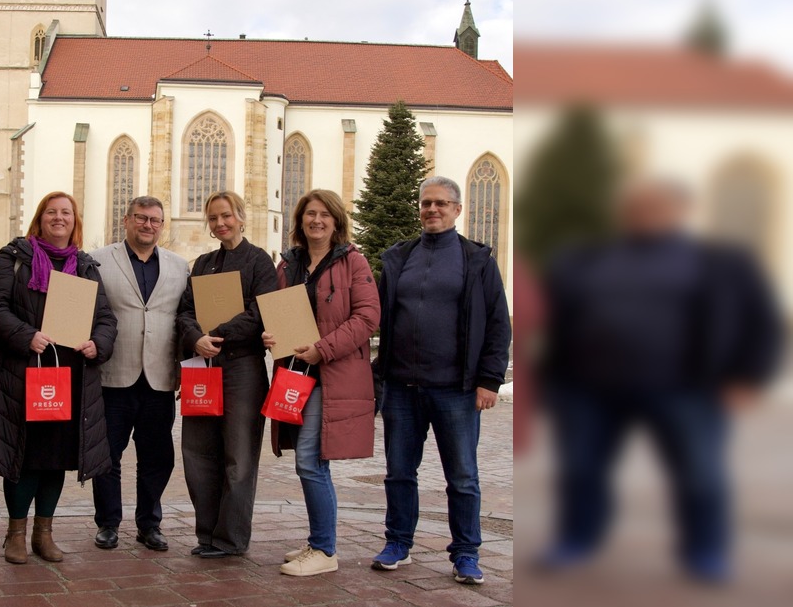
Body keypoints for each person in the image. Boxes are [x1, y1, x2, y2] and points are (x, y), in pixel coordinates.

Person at [539, 177, 783, 583]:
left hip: (685, 388)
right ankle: (577, 541)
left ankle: (705, 552)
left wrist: (747, 377)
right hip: (590, 390)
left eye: (655, 205)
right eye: (635, 205)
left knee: (700, 473)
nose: (643, 213)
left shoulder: (719, 262)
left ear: (680, 210)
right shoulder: (587, 259)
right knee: (581, 469)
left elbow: (761, 322)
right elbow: (561, 323)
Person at [373, 176, 510, 584]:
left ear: (457, 210)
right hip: (402, 387)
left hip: (457, 389)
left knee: (463, 475)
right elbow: (375, 314)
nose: (432, 210)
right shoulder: (399, 258)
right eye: (426, 203)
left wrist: (490, 380)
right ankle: (398, 542)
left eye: (441, 204)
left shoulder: (478, 261)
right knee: (399, 471)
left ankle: (465, 552)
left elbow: (499, 326)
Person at [0, 192, 117, 564]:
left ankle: (44, 533)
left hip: (69, 376)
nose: (59, 218)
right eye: (51, 212)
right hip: (23, 373)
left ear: (75, 222)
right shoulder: (15, 257)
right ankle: (16, 534)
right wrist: (26, 335)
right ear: (40, 219)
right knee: (25, 456)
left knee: (57, 458)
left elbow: (105, 318)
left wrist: (96, 344)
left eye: (66, 213)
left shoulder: (85, 266)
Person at [262, 190, 381, 576]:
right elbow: (278, 312)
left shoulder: (353, 262)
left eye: (324, 214)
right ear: (300, 220)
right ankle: (318, 541)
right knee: (310, 461)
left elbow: (367, 318)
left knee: (310, 461)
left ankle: (326, 550)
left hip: (330, 375)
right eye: (310, 214)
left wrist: (322, 349)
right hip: (296, 374)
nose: (316, 220)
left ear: (336, 221)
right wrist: (270, 334)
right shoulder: (290, 264)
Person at [175, 190, 277, 558]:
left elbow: (261, 312)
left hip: (242, 368)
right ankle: (206, 534)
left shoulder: (259, 261)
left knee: (238, 455)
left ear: (241, 216)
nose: (220, 223)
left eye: (226, 216)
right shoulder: (202, 264)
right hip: (203, 366)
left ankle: (230, 539)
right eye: (214, 218)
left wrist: (216, 334)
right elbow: (184, 311)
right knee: (198, 452)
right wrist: (195, 338)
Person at [90, 196, 188, 551]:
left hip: (160, 377)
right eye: (141, 218)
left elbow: (186, 320)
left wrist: (186, 368)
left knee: (157, 457)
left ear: (162, 225)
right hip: (113, 374)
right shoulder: (98, 261)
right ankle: (109, 523)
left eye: (155, 221)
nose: (148, 225)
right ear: (126, 220)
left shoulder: (180, 267)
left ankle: (149, 523)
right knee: (107, 455)